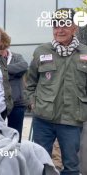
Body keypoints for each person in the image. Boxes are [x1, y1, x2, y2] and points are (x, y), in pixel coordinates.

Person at [25, 8, 87, 175]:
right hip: (43, 119)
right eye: (56, 25)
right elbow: (29, 82)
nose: (60, 30)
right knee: (39, 162)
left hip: (72, 119)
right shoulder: (41, 51)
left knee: (72, 166)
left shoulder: (85, 52)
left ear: (75, 27)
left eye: (65, 25)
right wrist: (33, 104)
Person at [0, 43, 28, 142]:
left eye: (2, 46)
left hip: (17, 103)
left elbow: (24, 66)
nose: (0, 49)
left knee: (16, 135)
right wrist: (14, 73)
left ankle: (15, 156)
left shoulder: (17, 56)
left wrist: (2, 70)